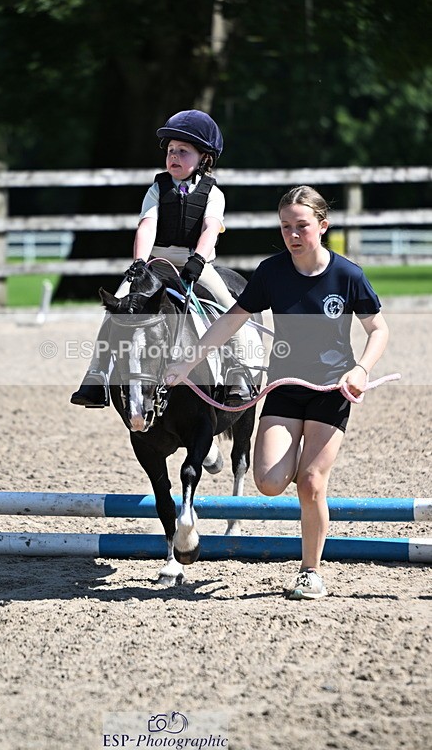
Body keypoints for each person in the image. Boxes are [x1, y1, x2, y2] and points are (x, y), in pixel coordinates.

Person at [165, 185, 389, 600]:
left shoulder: (348, 275)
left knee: (310, 481)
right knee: (268, 482)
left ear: (322, 226)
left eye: (302, 226)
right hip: (284, 387)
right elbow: (231, 320)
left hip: (330, 391)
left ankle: (310, 571)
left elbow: (378, 329)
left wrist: (361, 369)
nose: (293, 234)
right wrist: (188, 362)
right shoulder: (271, 272)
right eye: (286, 227)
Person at [71, 109, 253, 408]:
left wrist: (197, 259)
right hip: (156, 263)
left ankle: (238, 371)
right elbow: (147, 225)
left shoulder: (213, 194)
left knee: (229, 307)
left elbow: (209, 229)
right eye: (170, 151)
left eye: (183, 151)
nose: (174, 157)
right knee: (116, 306)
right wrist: (140, 262)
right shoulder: (157, 189)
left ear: (204, 158)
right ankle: (97, 375)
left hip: (197, 263)